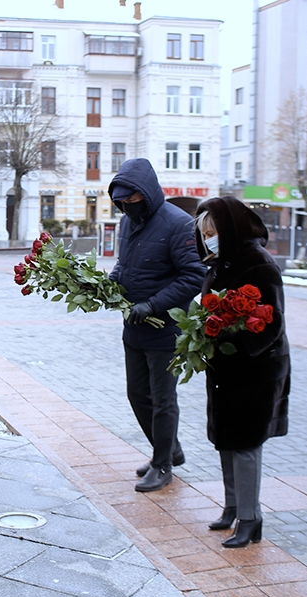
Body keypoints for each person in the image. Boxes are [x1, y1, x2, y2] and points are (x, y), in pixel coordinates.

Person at [194, 196, 291, 548]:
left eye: (212, 232)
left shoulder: (258, 264)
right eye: (203, 234)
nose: (208, 240)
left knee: (246, 444)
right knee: (226, 439)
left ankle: (251, 519)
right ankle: (232, 507)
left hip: (255, 370)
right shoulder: (220, 264)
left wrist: (236, 340)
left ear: (229, 228)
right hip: (226, 367)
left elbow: (271, 323)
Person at [108, 158, 206, 492]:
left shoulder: (178, 224)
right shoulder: (128, 222)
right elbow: (125, 265)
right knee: (137, 393)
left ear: (146, 193)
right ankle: (169, 450)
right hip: (133, 326)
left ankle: (163, 464)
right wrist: (109, 285)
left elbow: (195, 275)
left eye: (130, 199)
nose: (124, 206)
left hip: (165, 329)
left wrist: (154, 304)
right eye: (119, 201)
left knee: (163, 399)